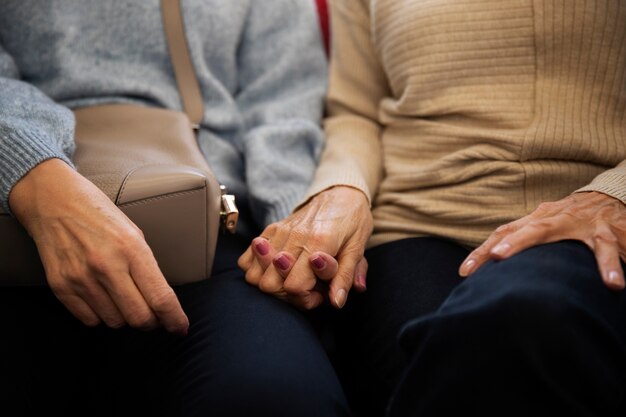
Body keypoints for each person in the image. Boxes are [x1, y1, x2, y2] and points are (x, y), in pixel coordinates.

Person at [238, 0, 626, 416]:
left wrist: (614, 194)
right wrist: (342, 190)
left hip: (586, 223)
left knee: (521, 323)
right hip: (411, 228)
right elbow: (355, 113)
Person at [0, 1, 352, 416]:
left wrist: (291, 232)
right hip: (16, 218)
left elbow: (283, 103)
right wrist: (37, 176)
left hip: (210, 230)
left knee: (280, 395)